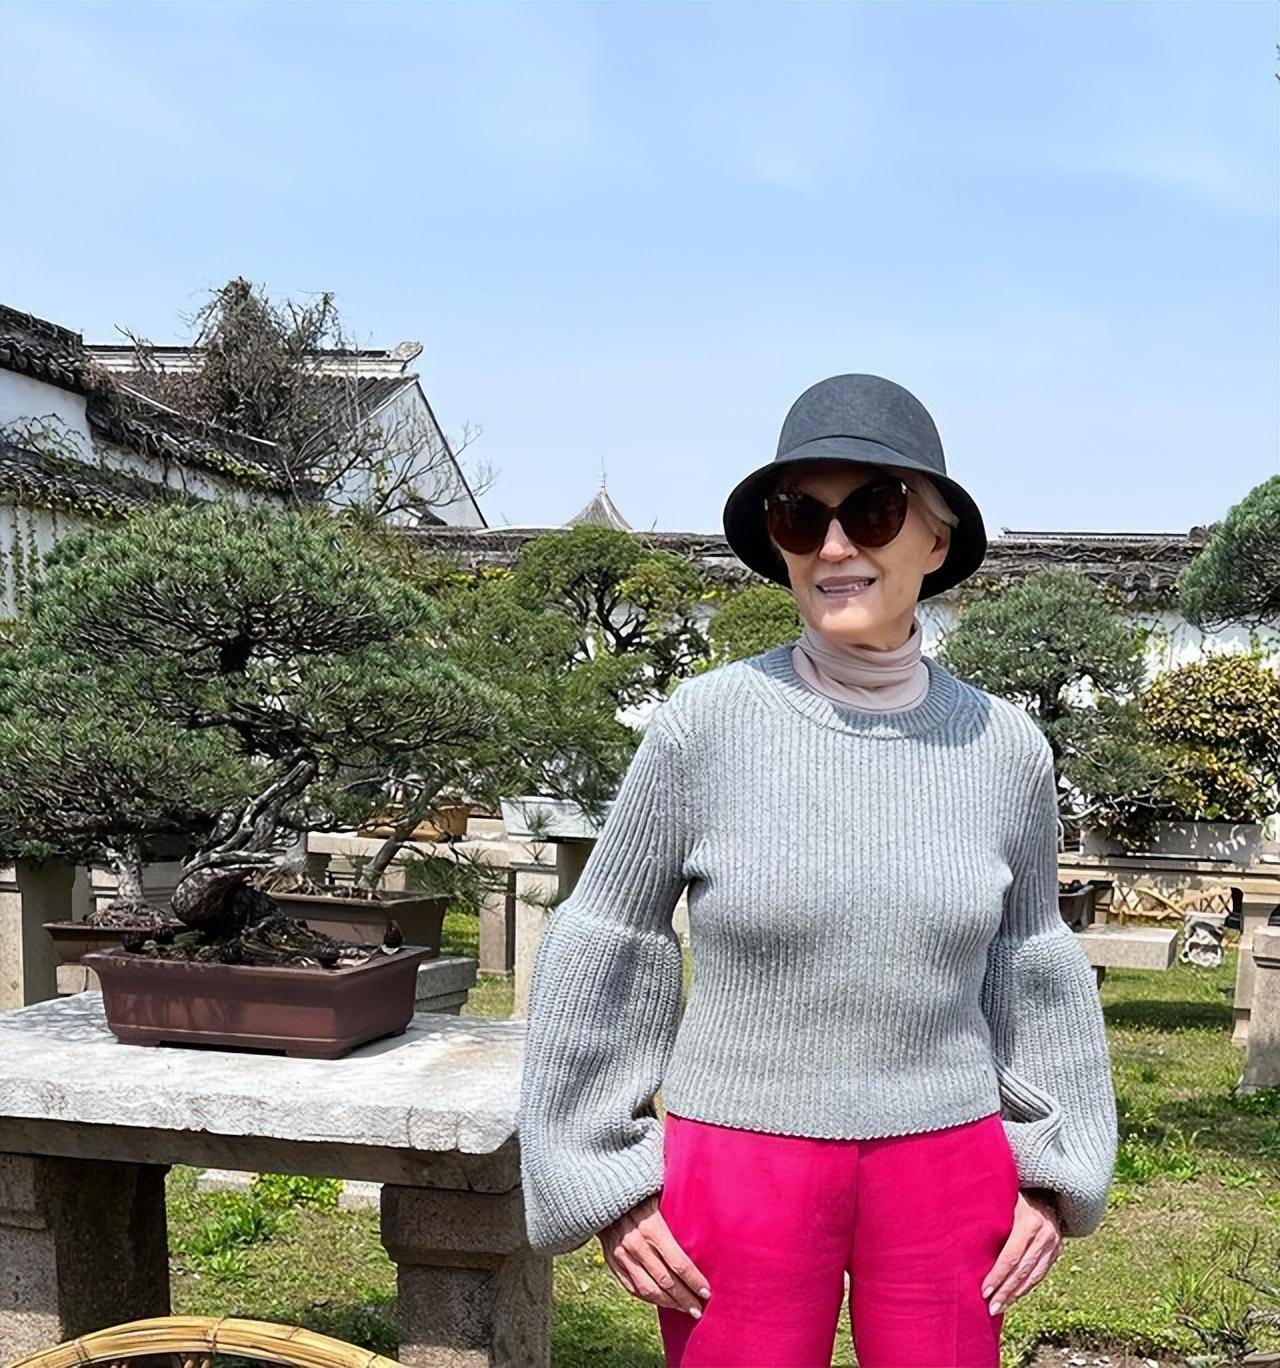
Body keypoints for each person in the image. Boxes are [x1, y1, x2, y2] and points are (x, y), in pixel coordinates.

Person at [517, 374, 1118, 1368]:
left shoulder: (1005, 748)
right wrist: (600, 1175)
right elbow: (608, 939)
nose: (835, 547)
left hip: (948, 1161)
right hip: (737, 1159)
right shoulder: (702, 727)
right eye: (801, 517)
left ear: (936, 539)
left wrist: (1054, 1173)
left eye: (873, 511)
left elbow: (1031, 962)